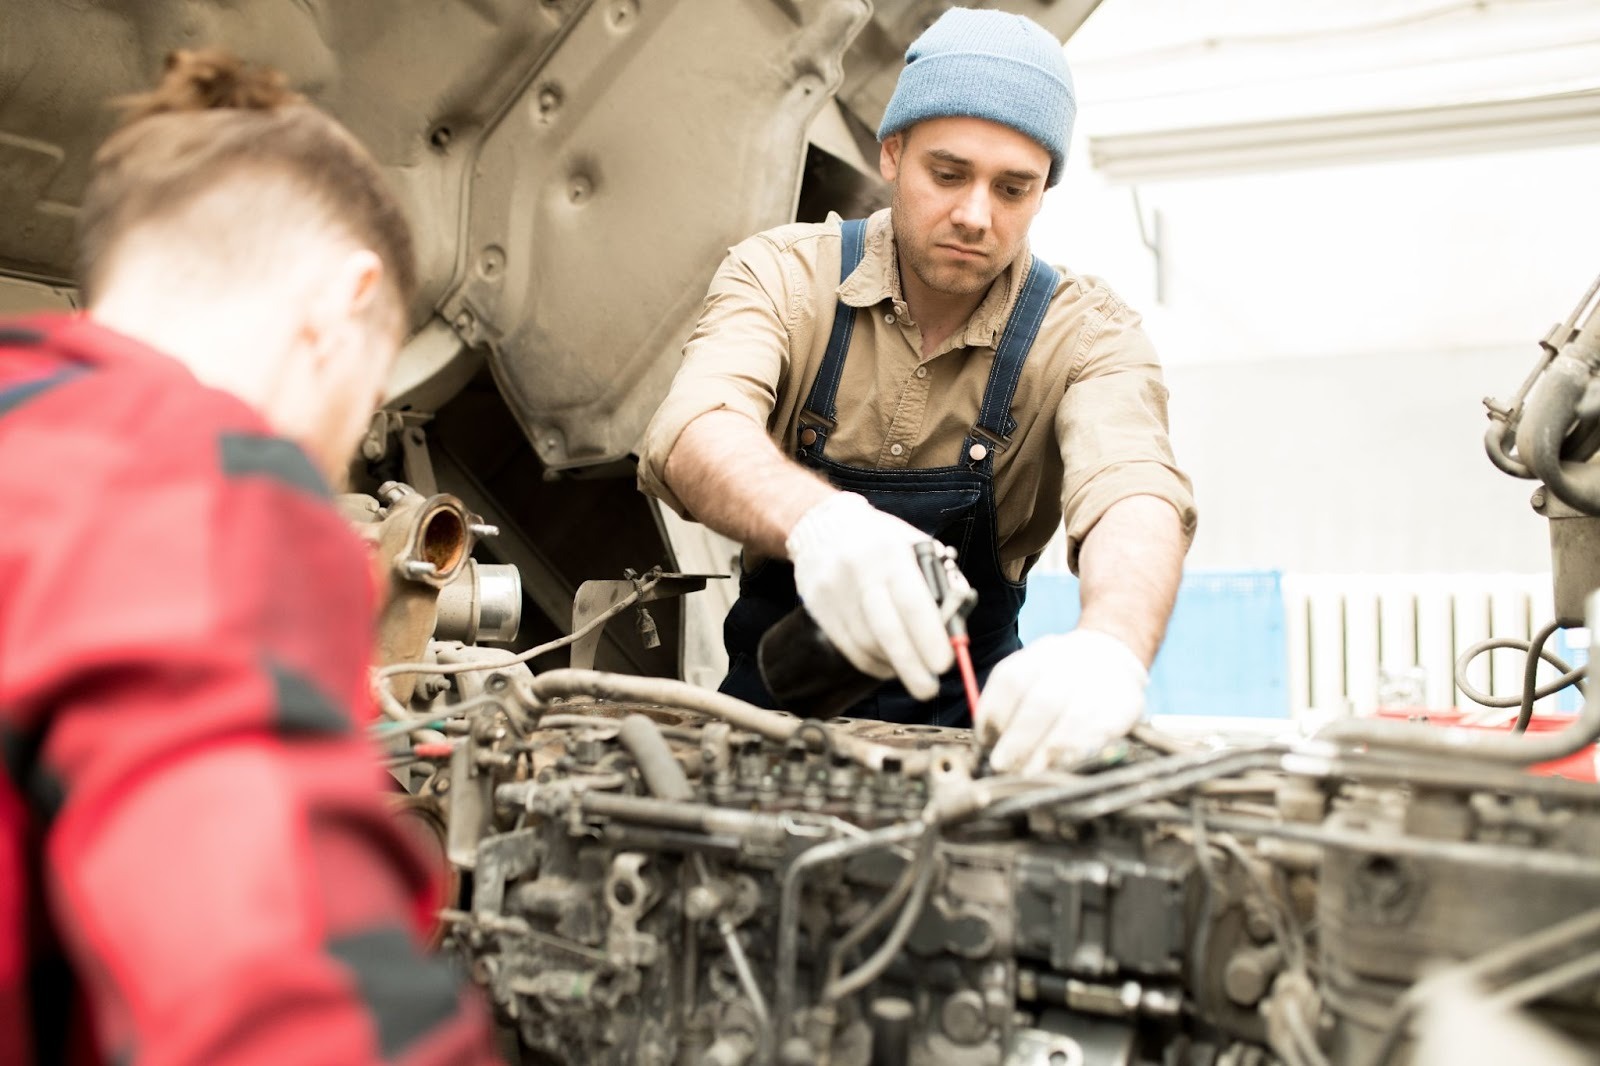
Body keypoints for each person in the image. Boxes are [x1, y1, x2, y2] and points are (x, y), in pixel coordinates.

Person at [0, 51, 501, 1065]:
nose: (342, 443)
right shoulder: (197, 483)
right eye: (369, 394)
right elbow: (280, 986)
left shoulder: (33, 429)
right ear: (341, 302)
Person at [638, 8, 1196, 774]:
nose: (974, 215)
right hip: (760, 739)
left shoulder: (1089, 335)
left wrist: (1111, 647)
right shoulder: (782, 276)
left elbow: (1135, 492)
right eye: (949, 173)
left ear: (1044, 192)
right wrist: (821, 523)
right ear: (892, 153)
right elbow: (694, 427)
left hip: (970, 757)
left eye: (1013, 188)